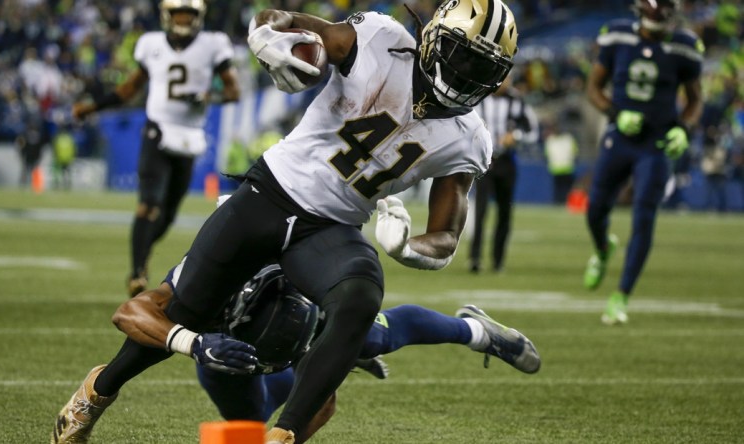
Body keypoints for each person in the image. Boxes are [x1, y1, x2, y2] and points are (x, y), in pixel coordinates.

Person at [51, 1, 531, 443]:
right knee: (187, 309)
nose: (466, 73)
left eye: (481, 67)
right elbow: (285, 21)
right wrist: (267, 38)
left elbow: (446, 236)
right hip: (269, 194)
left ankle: (285, 436)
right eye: (462, 56)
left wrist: (411, 248)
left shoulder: (469, 137)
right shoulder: (382, 39)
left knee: (362, 295)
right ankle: (94, 395)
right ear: (432, 38)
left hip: (332, 228)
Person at [53, 257, 540, 443]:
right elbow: (128, 313)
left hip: (311, 319)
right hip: (224, 350)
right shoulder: (208, 276)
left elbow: (321, 404)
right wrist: (194, 342)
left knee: (378, 332)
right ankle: (90, 400)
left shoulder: (310, 270)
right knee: (252, 411)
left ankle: (475, 331)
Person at [71, 0, 241, 297]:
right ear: (167, 15)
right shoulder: (151, 44)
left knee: (167, 215)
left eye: (190, 14)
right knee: (148, 205)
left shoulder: (213, 44)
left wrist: (207, 96)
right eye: (179, 14)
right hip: (157, 130)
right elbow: (129, 89)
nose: (184, 20)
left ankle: (143, 253)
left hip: (189, 136)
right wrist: (93, 108)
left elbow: (232, 91)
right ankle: (137, 273)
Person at [584, 0, 703, 325]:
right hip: (619, 138)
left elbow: (695, 99)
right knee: (595, 209)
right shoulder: (617, 36)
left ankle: (621, 295)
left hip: (656, 143)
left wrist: (684, 128)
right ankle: (602, 248)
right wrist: (615, 114)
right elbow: (593, 87)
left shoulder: (685, 46)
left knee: (644, 216)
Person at [468, 74, 539, 273]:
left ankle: (498, 261)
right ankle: (475, 259)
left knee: (504, 212)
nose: (504, 81)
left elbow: (533, 130)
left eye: (507, 77)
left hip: (507, 162)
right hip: (484, 162)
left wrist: (516, 136)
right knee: (480, 211)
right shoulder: (478, 97)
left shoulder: (517, 101)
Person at [543, 116, 579, 205]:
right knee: (563, 190)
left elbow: (546, 156)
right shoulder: (567, 139)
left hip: (563, 169)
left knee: (563, 190)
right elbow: (575, 153)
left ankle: (562, 204)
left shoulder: (553, 140)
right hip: (563, 168)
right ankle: (562, 204)